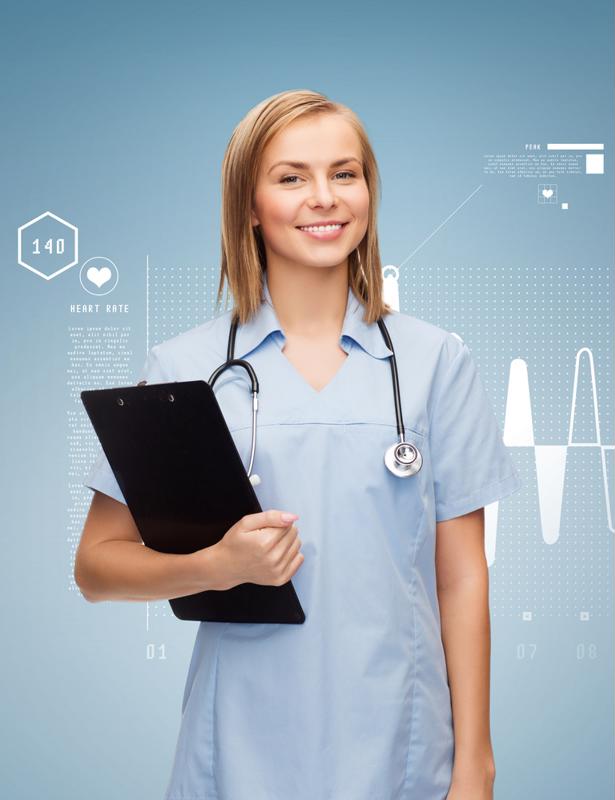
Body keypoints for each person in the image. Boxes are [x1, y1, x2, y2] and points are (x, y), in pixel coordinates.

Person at [75, 89, 522, 800]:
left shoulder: (435, 361)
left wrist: (476, 762)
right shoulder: (182, 369)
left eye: (345, 174)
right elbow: (97, 568)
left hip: (402, 739)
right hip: (238, 737)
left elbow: (461, 576)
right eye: (291, 178)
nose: (325, 197)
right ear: (249, 205)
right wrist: (216, 565)